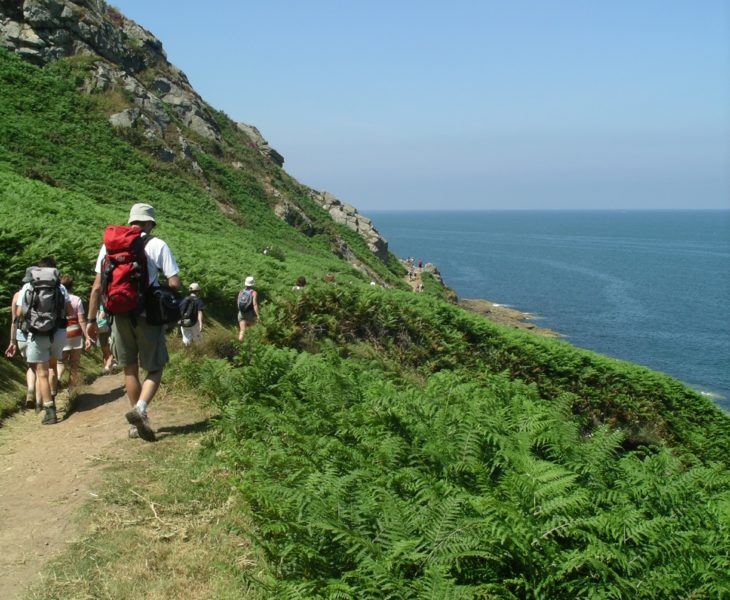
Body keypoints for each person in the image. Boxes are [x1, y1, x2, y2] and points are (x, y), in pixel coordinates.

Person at [86, 203, 180, 442]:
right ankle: (140, 409)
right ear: (150, 223)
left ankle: (134, 425)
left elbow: (97, 286)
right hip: (148, 314)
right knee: (155, 367)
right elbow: (175, 282)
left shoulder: (109, 246)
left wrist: (90, 319)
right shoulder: (157, 244)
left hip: (118, 314)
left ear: (131, 222)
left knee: (129, 367)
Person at [15, 257, 71, 424]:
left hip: (37, 333)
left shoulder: (28, 286)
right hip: (59, 332)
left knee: (42, 373)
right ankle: (53, 396)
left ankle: (50, 412)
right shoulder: (60, 287)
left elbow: (19, 313)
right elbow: (68, 311)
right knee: (53, 366)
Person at [5, 269, 38, 411]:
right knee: (41, 367)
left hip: (21, 335)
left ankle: (31, 390)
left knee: (31, 366)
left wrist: (12, 342)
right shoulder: (43, 293)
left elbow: (14, 320)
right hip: (38, 334)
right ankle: (40, 400)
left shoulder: (17, 296)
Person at [56, 275, 89, 403]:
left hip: (62, 332)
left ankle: (57, 378)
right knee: (74, 363)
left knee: (60, 361)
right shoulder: (76, 299)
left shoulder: (58, 298)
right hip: (75, 332)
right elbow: (81, 319)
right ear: (72, 286)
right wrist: (86, 336)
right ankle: (71, 390)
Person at [179, 282, 204, 346]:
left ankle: (186, 354)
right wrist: (200, 324)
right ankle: (200, 354)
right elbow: (199, 312)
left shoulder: (184, 299)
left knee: (186, 342)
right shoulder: (198, 301)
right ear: (198, 291)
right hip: (194, 323)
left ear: (190, 291)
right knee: (199, 341)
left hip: (183, 323)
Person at [237, 276, 259, 341]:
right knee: (253, 329)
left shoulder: (241, 291)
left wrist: (241, 310)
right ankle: (251, 345)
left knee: (242, 331)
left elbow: (238, 302)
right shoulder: (253, 293)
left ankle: (239, 345)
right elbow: (254, 304)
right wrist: (257, 315)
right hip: (249, 314)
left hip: (241, 313)